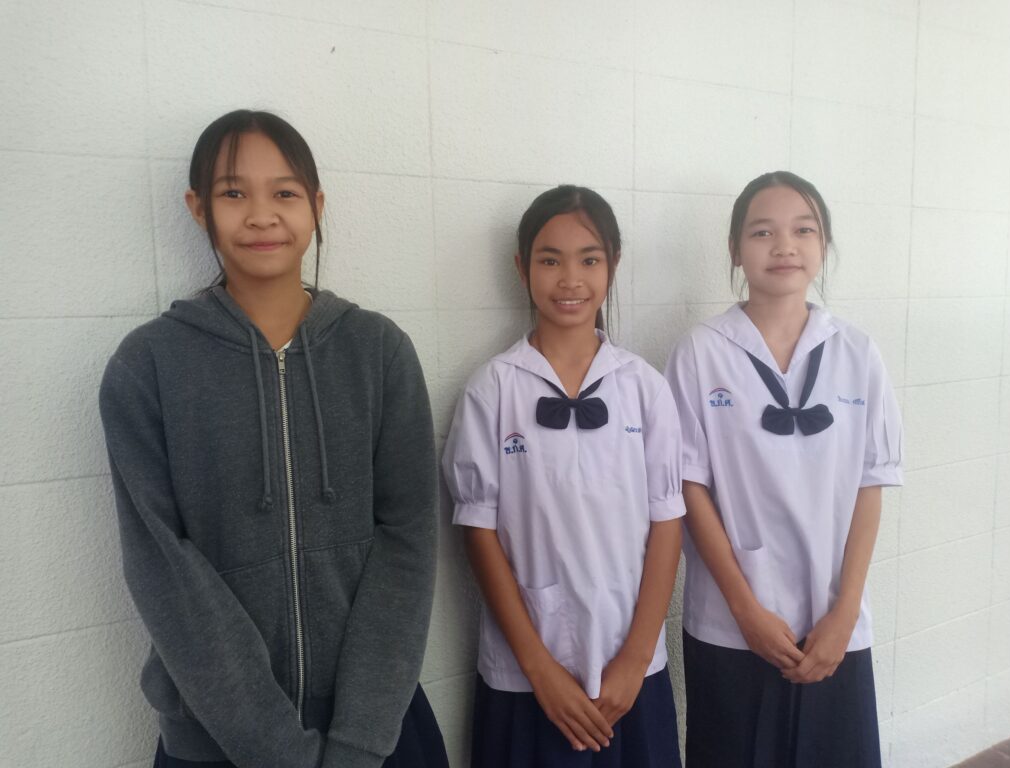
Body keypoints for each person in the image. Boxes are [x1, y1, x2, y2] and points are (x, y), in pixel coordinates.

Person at [99, 109, 448, 768]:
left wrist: (358, 740)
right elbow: (161, 565)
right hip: (218, 739)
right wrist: (277, 750)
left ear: (316, 205)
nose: (262, 216)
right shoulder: (147, 367)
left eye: (284, 192)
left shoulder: (379, 353)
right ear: (198, 208)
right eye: (234, 193)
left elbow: (407, 541)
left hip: (376, 732)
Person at [664, 171, 903, 768]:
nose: (784, 246)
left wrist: (844, 613)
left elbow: (871, 484)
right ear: (734, 249)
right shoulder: (700, 351)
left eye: (803, 230)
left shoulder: (857, 351)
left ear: (823, 245)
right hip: (731, 624)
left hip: (834, 623)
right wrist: (746, 611)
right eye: (762, 232)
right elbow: (689, 487)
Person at [442, 185, 685, 767]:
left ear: (613, 265)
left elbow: (668, 524)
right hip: (526, 674)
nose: (570, 279)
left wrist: (635, 660)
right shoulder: (492, 388)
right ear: (521, 267)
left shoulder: (644, 387)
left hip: (630, 672)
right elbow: (478, 533)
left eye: (589, 259)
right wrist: (540, 668)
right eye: (550, 260)